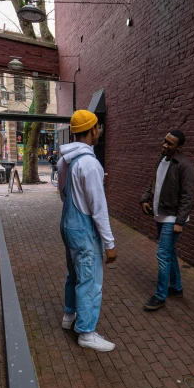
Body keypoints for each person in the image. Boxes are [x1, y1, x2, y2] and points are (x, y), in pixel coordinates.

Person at [58, 110, 117, 351]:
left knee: (74, 274)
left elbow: (63, 191)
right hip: (84, 230)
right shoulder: (90, 163)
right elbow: (98, 208)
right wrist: (110, 244)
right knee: (90, 281)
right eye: (98, 127)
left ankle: (69, 316)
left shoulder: (67, 160)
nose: (99, 130)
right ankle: (86, 332)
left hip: (68, 224)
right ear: (92, 129)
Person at [140, 129, 194, 310]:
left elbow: (188, 196)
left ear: (179, 147)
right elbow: (154, 183)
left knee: (162, 254)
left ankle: (160, 296)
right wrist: (144, 199)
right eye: (165, 141)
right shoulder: (162, 160)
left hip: (173, 217)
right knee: (170, 253)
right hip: (160, 214)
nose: (165, 145)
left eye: (170, 143)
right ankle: (176, 288)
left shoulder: (184, 165)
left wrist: (180, 221)